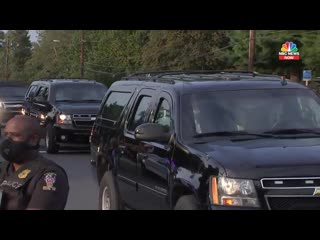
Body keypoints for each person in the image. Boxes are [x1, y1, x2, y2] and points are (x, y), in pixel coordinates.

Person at [0, 115, 69, 210]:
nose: (8, 141)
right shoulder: (3, 168)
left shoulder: (49, 174)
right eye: (6, 135)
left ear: (33, 139)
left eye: (15, 135)